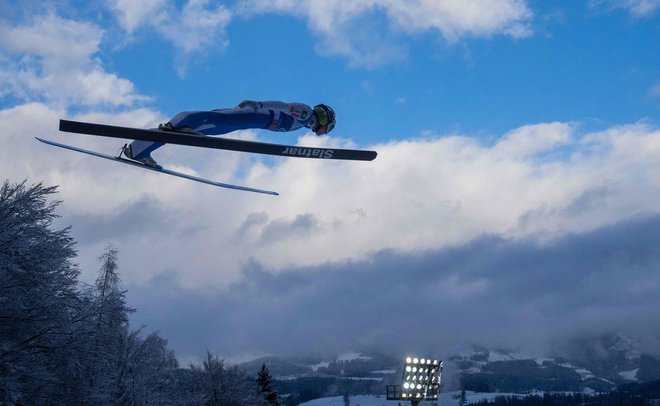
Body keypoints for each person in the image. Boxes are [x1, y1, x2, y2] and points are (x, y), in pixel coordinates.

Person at [123, 101, 336, 168]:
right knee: (218, 121)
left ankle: (138, 150)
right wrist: (259, 103)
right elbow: (282, 105)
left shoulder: (300, 125)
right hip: (254, 114)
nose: (323, 132)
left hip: (251, 121)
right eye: (327, 127)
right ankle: (180, 122)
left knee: (216, 126)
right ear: (325, 118)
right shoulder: (307, 114)